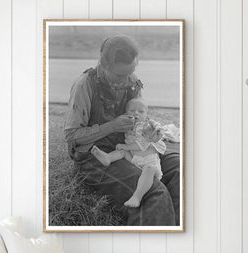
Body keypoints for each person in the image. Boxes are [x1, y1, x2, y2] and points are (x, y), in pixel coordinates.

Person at [64, 34, 180, 226]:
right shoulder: (85, 85)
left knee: (179, 168)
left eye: (132, 71)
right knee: (153, 193)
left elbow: (141, 114)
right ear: (103, 64)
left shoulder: (132, 81)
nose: (127, 80)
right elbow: (71, 136)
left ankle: (180, 238)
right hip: (96, 157)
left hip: (132, 149)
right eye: (120, 75)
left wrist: (152, 129)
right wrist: (112, 126)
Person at [91, 97, 166, 208]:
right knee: (121, 152)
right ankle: (108, 158)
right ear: (126, 113)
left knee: (148, 169)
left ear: (146, 114)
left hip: (149, 163)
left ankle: (137, 197)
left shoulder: (148, 124)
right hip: (133, 159)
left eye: (141, 111)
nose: (136, 113)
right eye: (132, 111)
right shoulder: (127, 125)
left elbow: (142, 144)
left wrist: (158, 130)